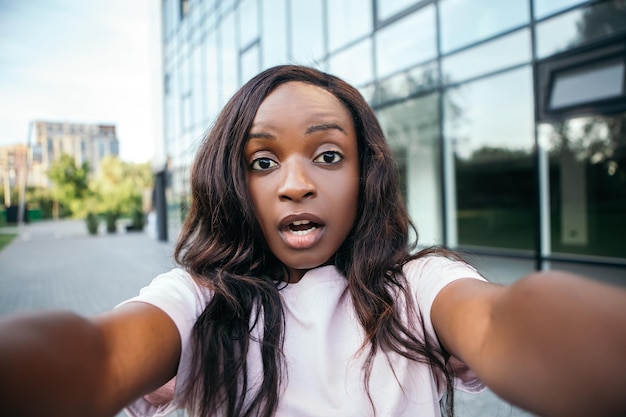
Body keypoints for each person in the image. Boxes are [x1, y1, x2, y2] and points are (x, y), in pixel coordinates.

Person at [0, 65, 625, 417]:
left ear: (365, 175)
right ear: (230, 182)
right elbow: (99, 354)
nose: (295, 184)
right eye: (263, 162)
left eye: (327, 155)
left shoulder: (417, 287)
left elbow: (506, 323)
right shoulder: (200, 300)